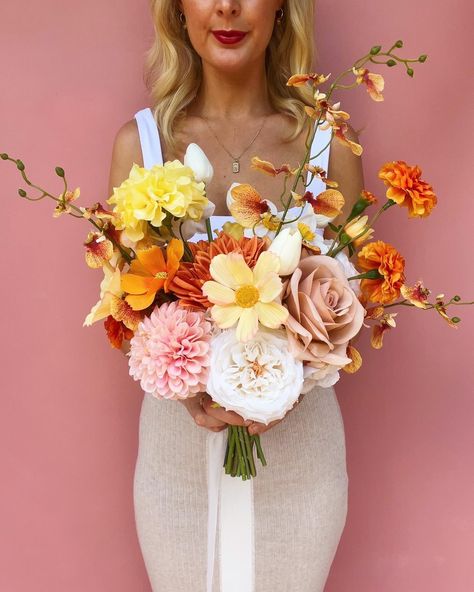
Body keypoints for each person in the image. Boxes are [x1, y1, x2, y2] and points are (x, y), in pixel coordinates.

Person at [108, 1, 364, 591]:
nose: (227, 6)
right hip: (177, 452)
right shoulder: (140, 145)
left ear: (281, 7)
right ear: (177, 9)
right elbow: (127, 310)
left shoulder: (329, 148)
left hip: (302, 453)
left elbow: (352, 305)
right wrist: (190, 389)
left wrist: (292, 381)